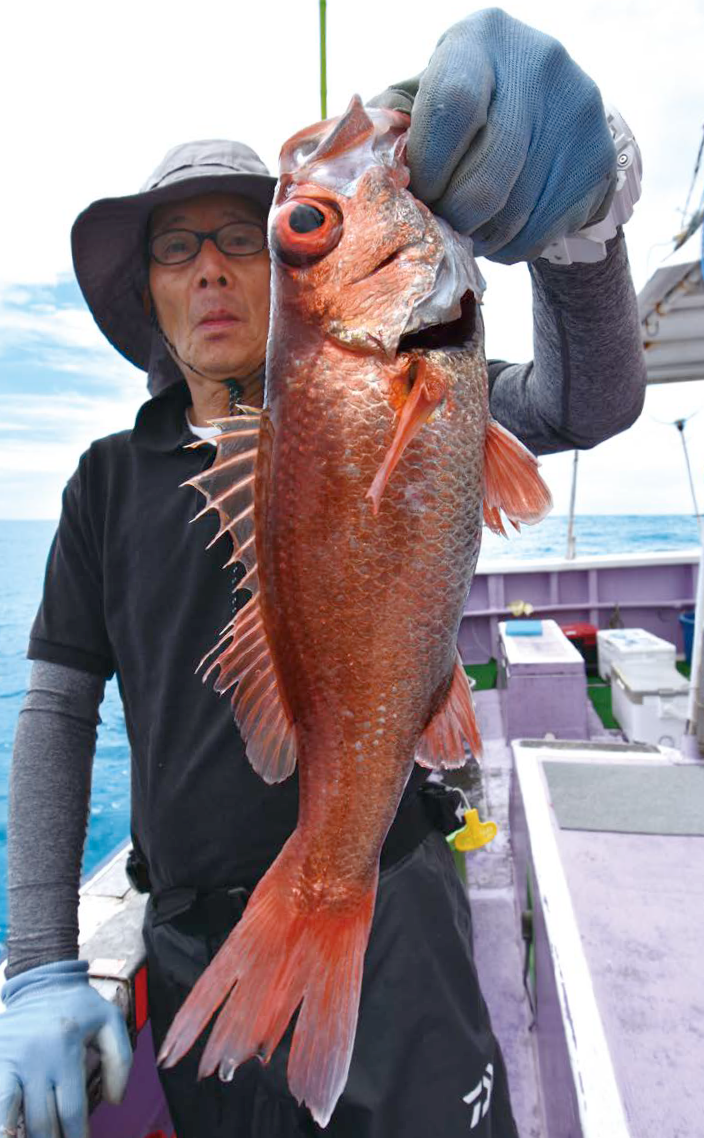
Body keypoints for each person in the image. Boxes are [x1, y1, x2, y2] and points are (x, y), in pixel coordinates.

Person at [0, 10, 646, 1138]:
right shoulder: (105, 481)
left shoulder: (401, 379)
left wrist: (581, 233)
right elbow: (58, 712)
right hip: (200, 936)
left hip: (392, 896)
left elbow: (586, 403)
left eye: (246, 236)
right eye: (172, 247)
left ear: (277, 274)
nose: (206, 266)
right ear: (147, 297)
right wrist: (41, 958)